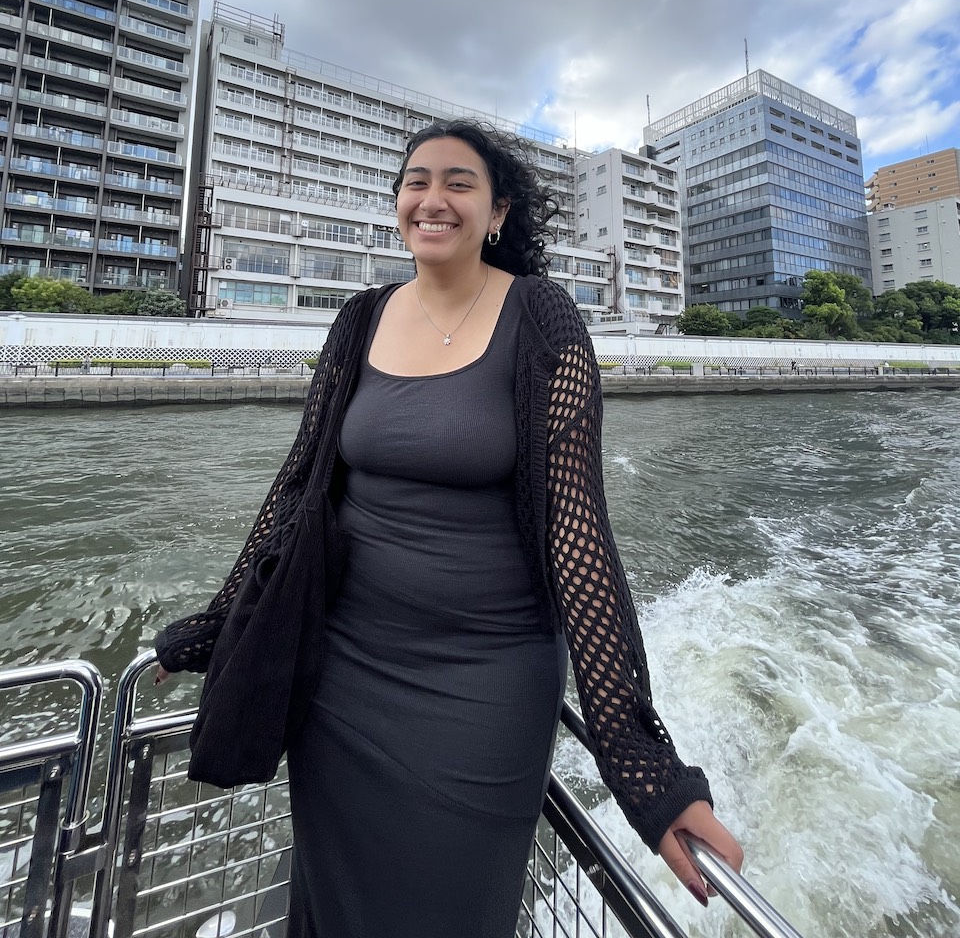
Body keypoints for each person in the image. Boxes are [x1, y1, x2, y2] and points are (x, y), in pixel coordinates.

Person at [155, 119, 742, 938]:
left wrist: (645, 767)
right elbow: (298, 487)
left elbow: (581, 540)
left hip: (484, 679)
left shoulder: (541, 317)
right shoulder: (359, 319)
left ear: (497, 211)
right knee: (335, 906)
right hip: (343, 671)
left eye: (459, 183)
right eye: (415, 181)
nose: (432, 199)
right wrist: (220, 624)